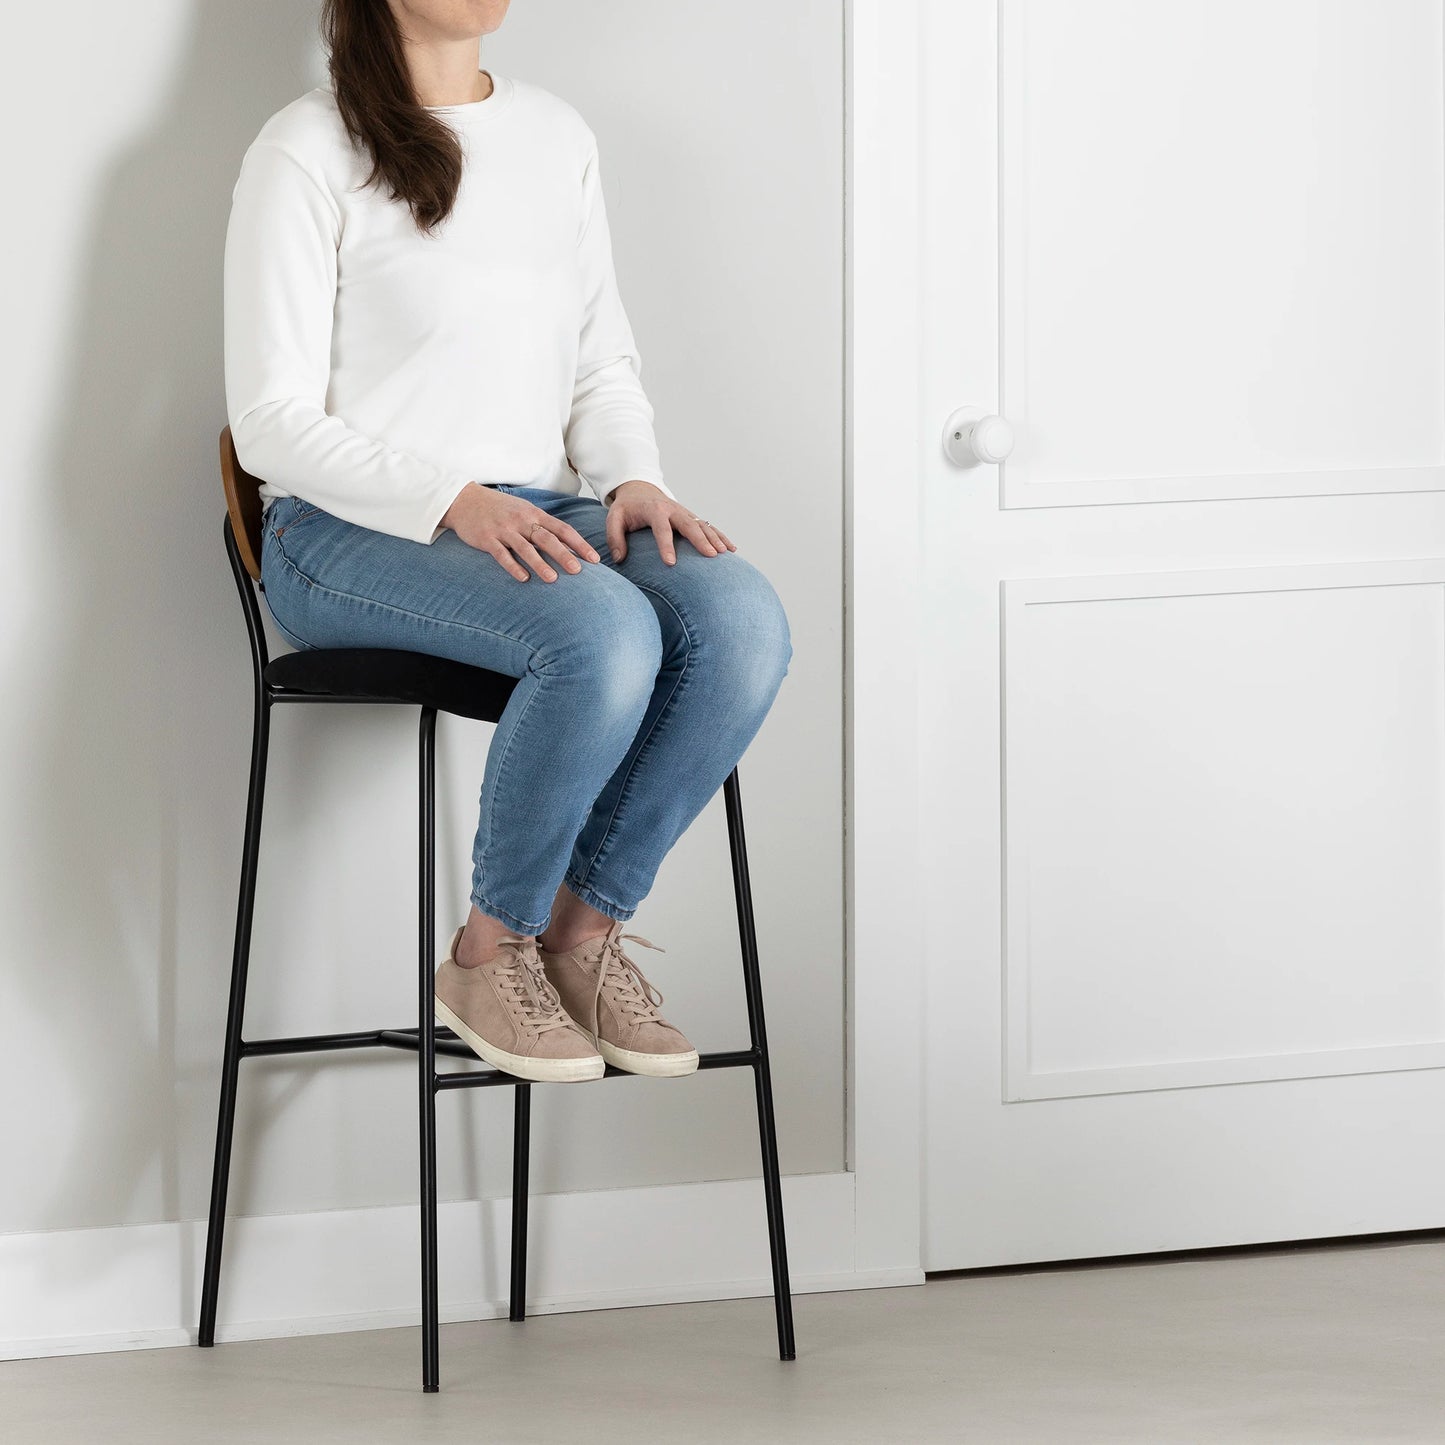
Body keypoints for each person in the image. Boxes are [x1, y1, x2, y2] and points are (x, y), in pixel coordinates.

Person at [222, 0, 792, 1085]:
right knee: (602, 633)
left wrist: (633, 477)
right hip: (341, 530)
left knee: (740, 620)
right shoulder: (304, 149)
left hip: (534, 509)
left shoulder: (554, 135)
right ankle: (488, 952)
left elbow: (598, 363)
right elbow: (269, 423)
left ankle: (579, 934)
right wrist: (452, 499)